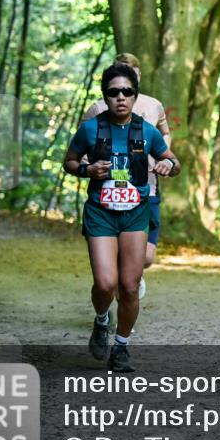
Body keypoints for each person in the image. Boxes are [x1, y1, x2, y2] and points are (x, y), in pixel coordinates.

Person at [63, 63, 180, 372]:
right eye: (113, 92)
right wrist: (87, 170)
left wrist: (169, 165)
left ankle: (122, 346)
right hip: (101, 213)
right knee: (105, 284)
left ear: (134, 95)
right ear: (105, 96)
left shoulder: (147, 130)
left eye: (127, 92)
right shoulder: (91, 128)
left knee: (129, 286)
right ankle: (102, 321)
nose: (120, 98)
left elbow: (172, 160)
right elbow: (70, 161)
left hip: (135, 214)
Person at [82, 53, 171, 300]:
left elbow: (165, 135)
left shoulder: (154, 105)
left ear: (137, 78)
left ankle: (128, 280)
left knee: (146, 258)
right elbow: (80, 149)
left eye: (132, 74)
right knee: (111, 273)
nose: (121, 93)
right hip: (106, 197)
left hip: (147, 189)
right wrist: (88, 167)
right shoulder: (97, 109)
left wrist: (162, 158)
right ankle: (120, 290)